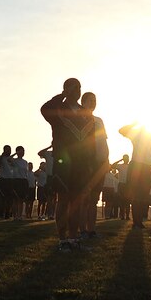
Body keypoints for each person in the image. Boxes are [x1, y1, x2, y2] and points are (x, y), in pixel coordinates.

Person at [41, 78, 93, 251]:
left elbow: (91, 140)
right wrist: (61, 96)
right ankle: (62, 239)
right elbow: (44, 109)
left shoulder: (85, 112)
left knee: (76, 201)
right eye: (73, 87)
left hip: (81, 163)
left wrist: (90, 163)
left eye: (79, 87)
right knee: (63, 199)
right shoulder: (58, 110)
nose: (77, 90)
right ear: (66, 89)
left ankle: (73, 238)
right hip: (63, 161)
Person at [82, 92, 109, 236]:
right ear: (83, 101)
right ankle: (82, 229)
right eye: (90, 100)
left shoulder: (99, 120)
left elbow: (103, 141)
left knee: (93, 198)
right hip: (86, 163)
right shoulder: (79, 118)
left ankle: (91, 229)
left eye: (95, 100)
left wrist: (106, 160)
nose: (93, 102)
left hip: (100, 163)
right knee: (84, 198)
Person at [118, 123, 151, 229]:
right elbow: (121, 130)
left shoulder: (150, 135)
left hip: (148, 166)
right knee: (137, 195)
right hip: (137, 166)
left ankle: (139, 221)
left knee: (144, 195)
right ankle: (136, 222)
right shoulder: (135, 133)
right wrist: (134, 123)